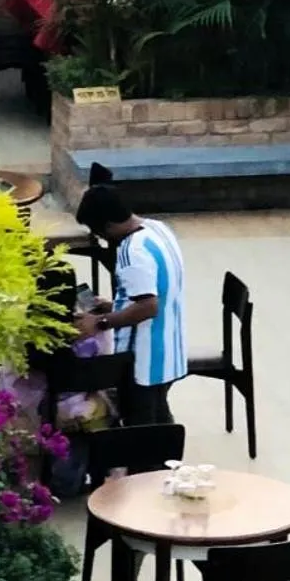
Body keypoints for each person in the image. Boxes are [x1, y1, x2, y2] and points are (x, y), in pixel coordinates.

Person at [75, 181, 187, 425]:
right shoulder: (158, 230)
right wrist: (115, 305)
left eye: (98, 232)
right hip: (168, 351)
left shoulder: (131, 251)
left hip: (143, 359)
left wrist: (100, 322)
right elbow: (155, 290)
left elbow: (148, 306)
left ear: (108, 226)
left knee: (141, 427)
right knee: (159, 419)